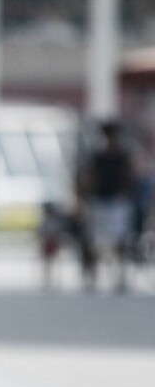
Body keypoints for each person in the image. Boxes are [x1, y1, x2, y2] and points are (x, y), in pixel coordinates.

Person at [82, 120, 137, 293]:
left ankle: (120, 276)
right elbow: (89, 177)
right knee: (94, 239)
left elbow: (131, 177)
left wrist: (128, 195)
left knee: (120, 239)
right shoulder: (97, 157)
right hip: (99, 200)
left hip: (117, 201)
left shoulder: (123, 156)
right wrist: (85, 198)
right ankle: (92, 277)